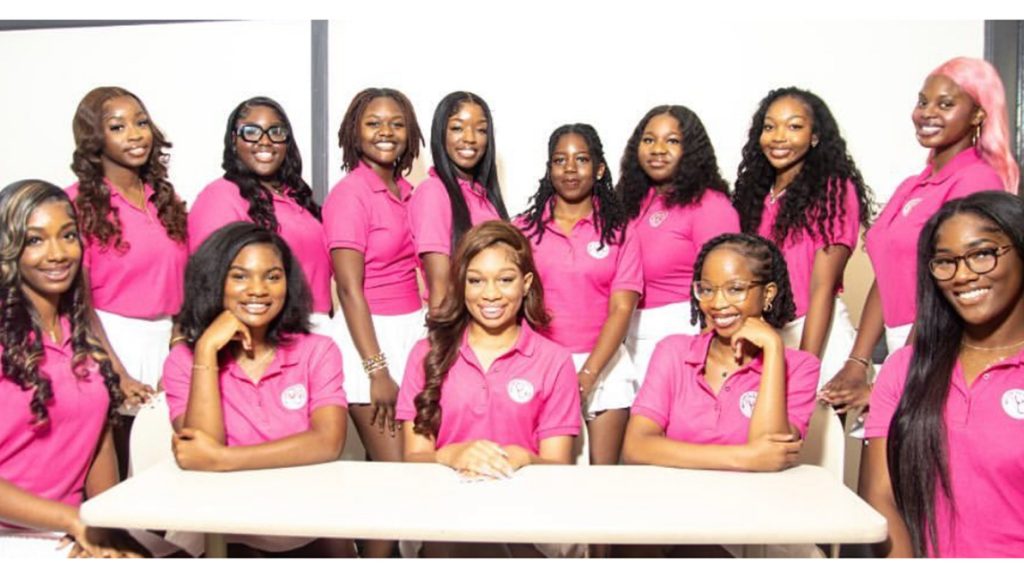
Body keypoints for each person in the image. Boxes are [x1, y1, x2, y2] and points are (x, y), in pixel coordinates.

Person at [823, 56, 1020, 414]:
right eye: (922, 101)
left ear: (978, 114)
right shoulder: (912, 186)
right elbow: (889, 275)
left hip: (939, 347)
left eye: (946, 104)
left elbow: (954, 289)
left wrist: (903, 374)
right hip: (906, 347)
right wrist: (857, 362)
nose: (927, 113)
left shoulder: (976, 181)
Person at [162, 222, 351, 557]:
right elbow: (200, 447)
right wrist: (206, 350)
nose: (258, 289)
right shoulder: (183, 361)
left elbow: (328, 441)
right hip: (224, 527)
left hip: (303, 523)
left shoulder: (317, 351)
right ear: (213, 280)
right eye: (240, 276)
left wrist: (224, 459)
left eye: (272, 276)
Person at [396, 221, 580, 557]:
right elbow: (414, 458)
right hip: (444, 514)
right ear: (461, 285)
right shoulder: (425, 354)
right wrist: (454, 454)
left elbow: (558, 469)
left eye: (505, 280)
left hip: (526, 514)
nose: (491, 294)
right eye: (476, 280)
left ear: (525, 284)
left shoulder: (554, 360)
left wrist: (524, 457)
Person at [861, 192, 1024, 557]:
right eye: (945, 262)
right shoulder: (904, 370)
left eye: (983, 254)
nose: (963, 275)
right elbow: (879, 496)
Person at [0, 180, 141, 558]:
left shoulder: (78, 331)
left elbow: (97, 440)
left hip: (69, 526)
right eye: (35, 240)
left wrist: (106, 525)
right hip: (13, 535)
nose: (58, 253)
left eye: (67, 235)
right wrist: (73, 520)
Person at [322, 87, 425, 558]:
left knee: (411, 478)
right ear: (353, 132)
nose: (386, 132)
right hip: (371, 341)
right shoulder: (350, 194)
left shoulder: (408, 192)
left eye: (396, 123)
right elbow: (348, 289)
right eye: (374, 123)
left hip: (412, 334)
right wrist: (377, 369)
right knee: (396, 477)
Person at [517, 123, 640, 470]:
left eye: (581, 159)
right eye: (560, 160)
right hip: (539, 365)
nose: (570, 169)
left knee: (603, 479)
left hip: (605, 365)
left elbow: (622, 308)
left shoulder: (620, 231)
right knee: (549, 474)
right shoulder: (522, 230)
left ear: (599, 169)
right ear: (549, 168)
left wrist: (587, 376)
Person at [733, 87, 873, 389]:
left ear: (815, 136)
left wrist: (805, 367)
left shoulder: (834, 191)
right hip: (766, 335)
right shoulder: (754, 194)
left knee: (817, 437)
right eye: (769, 127)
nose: (779, 136)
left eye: (794, 126)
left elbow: (822, 288)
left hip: (815, 334)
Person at [68, 86, 189, 410]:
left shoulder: (166, 200)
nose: (135, 135)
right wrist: (116, 372)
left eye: (141, 123)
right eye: (117, 127)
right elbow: (78, 302)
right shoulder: (77, 204)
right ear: (94, 138)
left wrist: (177, 353)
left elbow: (185, 287)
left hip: (169, 342)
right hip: (109, 343)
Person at [188, 96, 333, 332]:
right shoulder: (220, 197)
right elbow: (209, 283)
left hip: (318, 327)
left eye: (276, 132)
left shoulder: (296, 197)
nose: (265, 141)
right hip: (265, 331)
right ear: (234, 140)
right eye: (252, 132)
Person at [617, 105, 740, 380]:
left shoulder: (710, 205)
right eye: (649, 140)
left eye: (672, 141)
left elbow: (726, 291)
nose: (658, 149)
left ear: (691, 149)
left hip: (681, 331)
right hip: (627, 333)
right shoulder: (631, 201)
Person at [408, 91, 509, 315]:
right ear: (440, 134)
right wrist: (443, 346)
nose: (470, 138)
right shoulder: (434, 192)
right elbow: (440, 289)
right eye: (457, 128)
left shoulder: (485, 196)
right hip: (458, 331)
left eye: (481, 129)